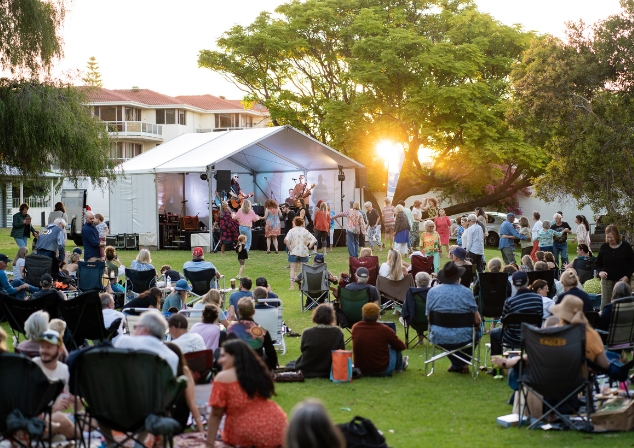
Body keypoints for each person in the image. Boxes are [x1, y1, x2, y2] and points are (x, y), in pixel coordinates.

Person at [206, 339, 286, 448]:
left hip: (246, 433)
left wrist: (209, 444)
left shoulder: (223, 377)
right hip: (279, 426)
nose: (219, 360)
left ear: (235, 356)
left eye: (223, 356)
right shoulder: (258, 372)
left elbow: (215, 414)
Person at [426, 262, 481, 373]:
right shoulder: (466, 292)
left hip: (439, 335)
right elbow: (477, 320)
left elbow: (429, 319)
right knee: (477, 332)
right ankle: (461, 364)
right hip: (463, 335)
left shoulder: (432, 292)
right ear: (459, 277)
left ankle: (458, 364)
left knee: (453, 336)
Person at [33, 330, 78, 440]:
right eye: (42, 347)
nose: (44, 351)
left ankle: (62, 435)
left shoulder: (64, 370)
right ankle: (84, 438)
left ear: (60, 350)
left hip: (53, 419)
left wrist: (75, 401)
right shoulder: (34, 366)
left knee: (91, 419)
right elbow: (27, 406)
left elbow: (76, 407)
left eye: (49, 347)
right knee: (61, 419)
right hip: (36, 419)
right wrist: (52, 408)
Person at [488, 271, 542, 358]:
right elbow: (539, 319)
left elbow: (504, 324)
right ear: (527, 281)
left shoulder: (510, 301)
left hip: (512, 338)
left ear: (512, 283)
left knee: (494, 333)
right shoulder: (538, 299)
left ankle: (496, 366)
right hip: (532, 336)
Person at [114, 309, 179, 375]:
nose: (134, 330)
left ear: (145, 329)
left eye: (135, 327)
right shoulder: (172, 358)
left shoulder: (124, 342)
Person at [351, 302, 408, 375]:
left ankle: (401, 364)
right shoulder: (385, 329)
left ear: (362, 315)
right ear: (378, 315)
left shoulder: (355, 327)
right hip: (383, 370)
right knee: (393, 345)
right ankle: (399, 367)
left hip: (361, 369)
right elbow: (401, 346)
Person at [291, 304, 345, 378]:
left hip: (307, 369)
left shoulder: (307, 333)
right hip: (329, 370)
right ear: (332, 316)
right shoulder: (337, 332)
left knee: (291, 364)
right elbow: (341, 351)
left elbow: (303, 349)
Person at [226, 297, 278, 371]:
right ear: (253, 312)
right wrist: (273, 367)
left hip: (235, 365)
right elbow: (271, 352)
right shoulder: (262, 331)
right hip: (255, 366)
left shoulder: (230, 328)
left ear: (238, 312)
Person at [163, 343, 205, 434]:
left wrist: (201, 429)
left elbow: (191, 402)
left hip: (173, 417)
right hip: (173, 418)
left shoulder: (183, 370)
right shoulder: (182, 370)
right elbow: (192, 403)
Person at [595, 224, 634, 309]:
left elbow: (632, 263)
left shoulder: (625, 246)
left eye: (611, 237)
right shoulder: (604, 247)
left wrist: (627, 276)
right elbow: (597, 263)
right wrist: (600, 272)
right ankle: (604, 320)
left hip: (622, 280)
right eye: (607, 237)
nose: (609, 239)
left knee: (623, 303)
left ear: (616, 236)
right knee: (605, 303)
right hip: (607, 280)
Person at [284, 216, 317, 290]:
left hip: (294, 252)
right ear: (302, 223)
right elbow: (314, 240)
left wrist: (289, 248)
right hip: (304, 252)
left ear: (294, 223)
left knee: (293, 270)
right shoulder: (305, 231)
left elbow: (286, 240)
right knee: (303, 270)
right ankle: (303, 285)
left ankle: (292, 286)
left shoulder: (292, 231)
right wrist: (309, 247)